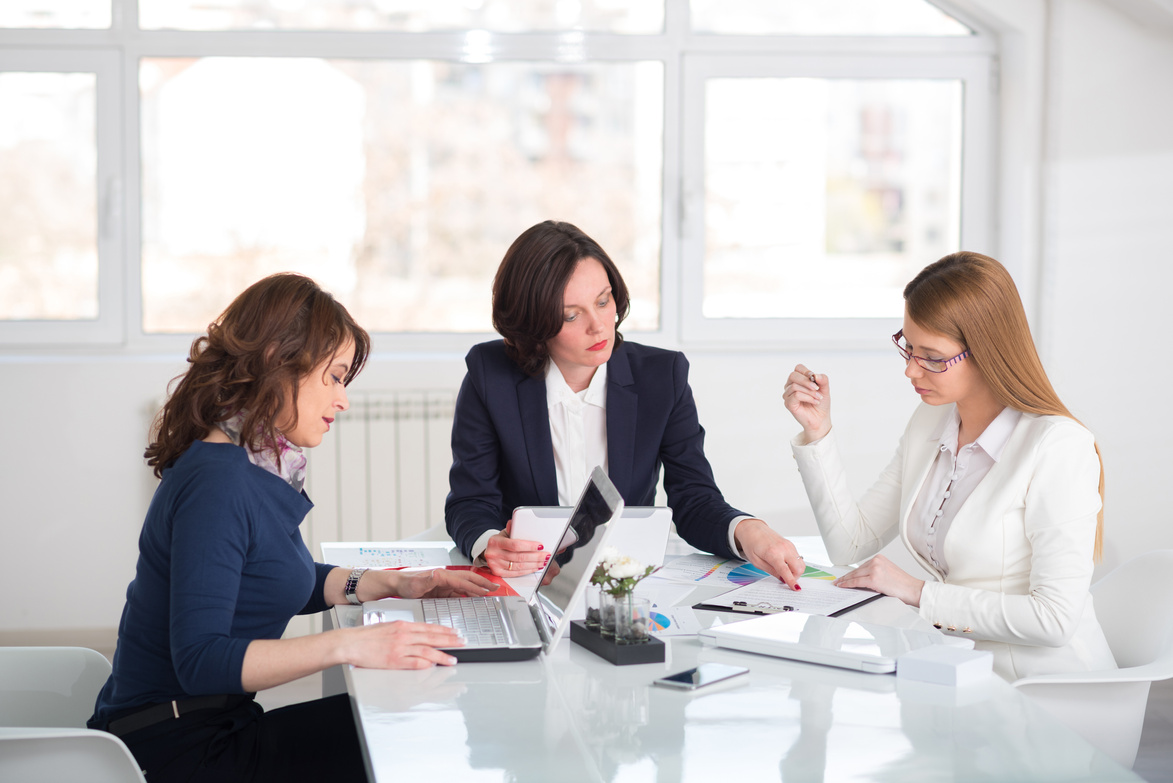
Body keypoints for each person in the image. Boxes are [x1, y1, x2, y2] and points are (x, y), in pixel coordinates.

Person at [88, 273, 495, 782]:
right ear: (280, 361)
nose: (342, 400)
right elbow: (200, 659)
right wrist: (349, 646)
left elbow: (277, 576)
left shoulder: (255, 462)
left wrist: (392, 583)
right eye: (335, 377)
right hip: (176, 752)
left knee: (402, 720)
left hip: (212, 727)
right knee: (401, 737)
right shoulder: (219, 482)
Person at [782, 251, 1116, 681]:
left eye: (932, 357)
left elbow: (1054, 619)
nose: (910, 370)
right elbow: (851, 544)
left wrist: (919, 593)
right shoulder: (931, 422)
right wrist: (818, 433)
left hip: (1045, 690)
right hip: (962, 671)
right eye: (907, 347)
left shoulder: (1058, 447)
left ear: (988, 351)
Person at [445, 220, 803, 586]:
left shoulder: (662, 376)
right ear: (532, 323)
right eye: (571, 314)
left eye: (603, 301)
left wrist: (748, 530)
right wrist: (489, 544)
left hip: (622, 586)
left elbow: (694, 499)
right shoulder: (490, 375)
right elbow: (470, 501)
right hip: (527, 582)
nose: (599, 326)